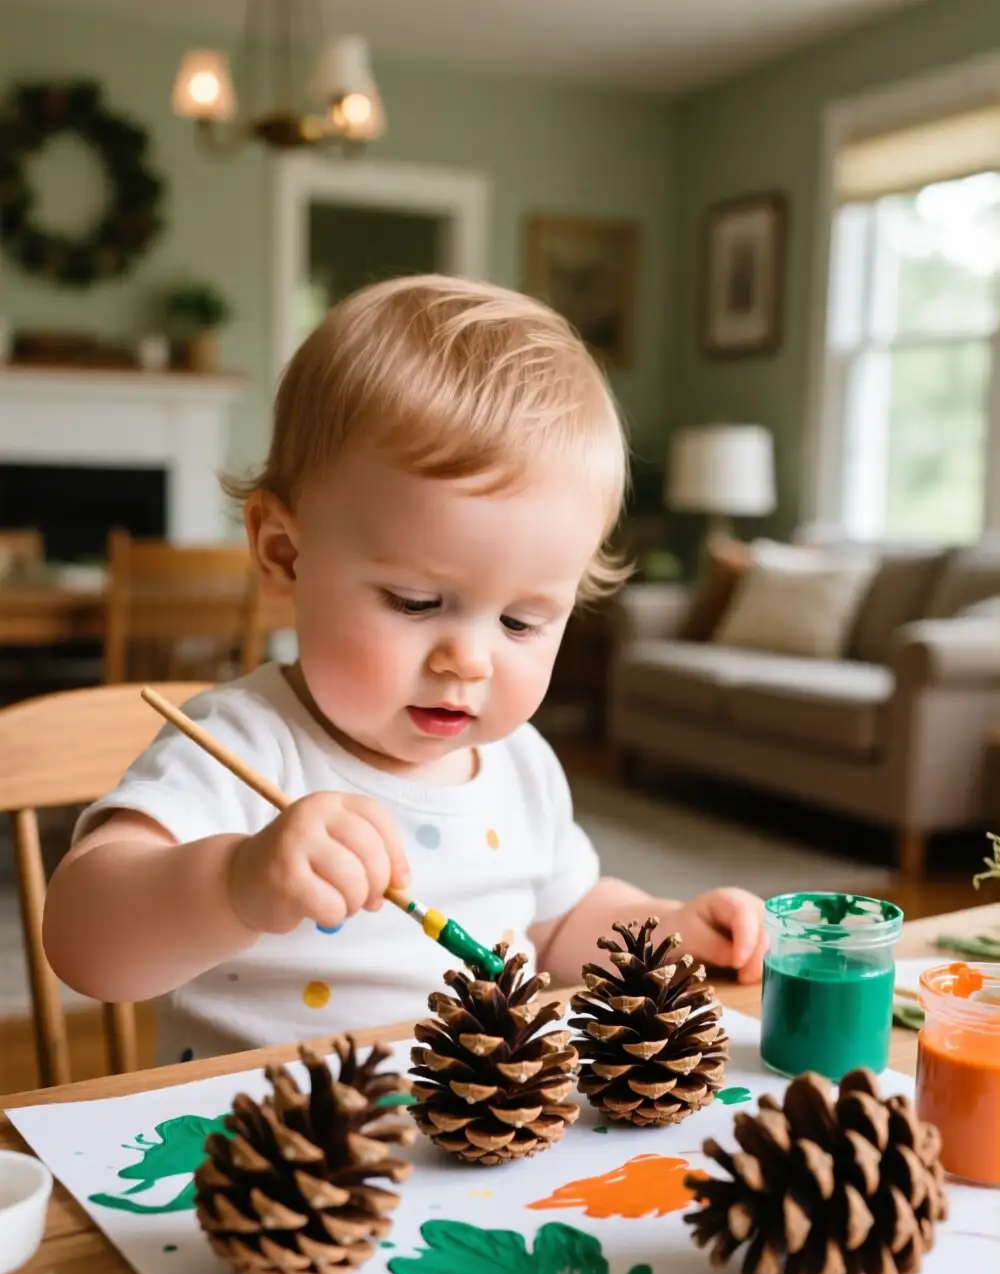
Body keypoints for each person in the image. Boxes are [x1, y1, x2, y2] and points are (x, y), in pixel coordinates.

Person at [43, 275, 765, 1064]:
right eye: (417, 602)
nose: (469, 658)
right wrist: (234, 883)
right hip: (274, 1162)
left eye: (523, 621)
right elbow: (84, 943)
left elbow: (562, 923)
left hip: (472, 1150)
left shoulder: (521, 766)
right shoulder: (243, 746)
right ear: (284, 554)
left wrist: (666, 927)